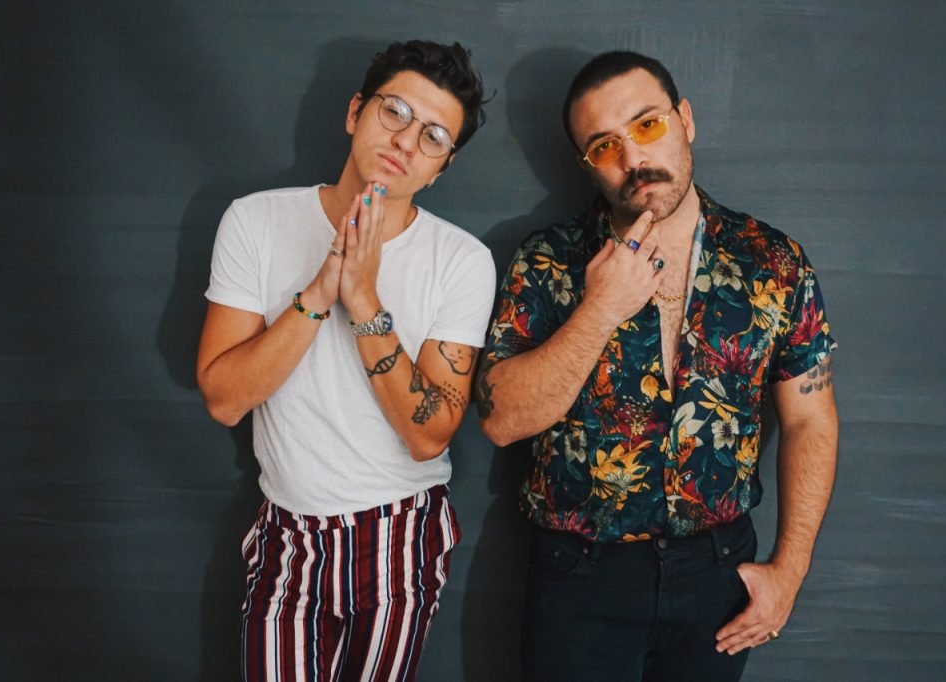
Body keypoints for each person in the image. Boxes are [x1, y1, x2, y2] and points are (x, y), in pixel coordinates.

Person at [477, 51, 838, 681]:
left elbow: (811, 419)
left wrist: (791, 569)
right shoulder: (547, 261)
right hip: (580, 577)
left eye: (647, 125)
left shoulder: (773, 262)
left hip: (719, 574)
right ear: (586, 163)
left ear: (685, 119)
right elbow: (502, 421)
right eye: (604, 145)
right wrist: (600, 309)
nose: (633, 159)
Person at [196, 40, 494, 682]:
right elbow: (224, 398)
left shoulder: (462, 261)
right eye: (395, 111)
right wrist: (320, 291)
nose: (407, 140)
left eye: (434, 136)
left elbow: (428, 435)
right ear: (356, 111)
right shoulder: (255, 221)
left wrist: (362, 300)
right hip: (286, 532)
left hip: (399, 533)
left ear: (440, 169)